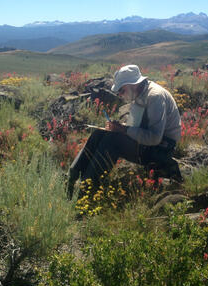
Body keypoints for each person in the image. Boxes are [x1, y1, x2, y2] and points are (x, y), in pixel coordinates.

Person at [67, 64, 182, 198]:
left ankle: (85, 191)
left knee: (112, 141)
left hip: (161, 148)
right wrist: (120, 128)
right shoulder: (139, 93)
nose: (120, 94)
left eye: (122, 90)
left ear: (133, 84)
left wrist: (123, 129)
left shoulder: (155, 97)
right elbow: (134, 126)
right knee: (100, 134)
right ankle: (71, 178)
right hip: (150, 144)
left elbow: (154, 137)